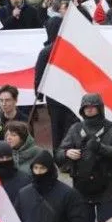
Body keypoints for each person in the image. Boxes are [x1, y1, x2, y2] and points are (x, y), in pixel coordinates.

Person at [58, 93, 112, 222]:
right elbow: (58, 155)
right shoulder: (75, 129)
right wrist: (67, 153)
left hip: (106, 188)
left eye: (92, 106)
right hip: (81, 189)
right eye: (86, 107)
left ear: (100, 108)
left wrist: (100, 148)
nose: (89, 109)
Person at [13, 150, 89, 222]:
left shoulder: (68, 194)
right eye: (35, 168)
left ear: (50, 169)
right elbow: (15, 221)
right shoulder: (23, 194)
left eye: (42, 168)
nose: (38, 172)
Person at [33, 17, 78, 156]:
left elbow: (39, 74)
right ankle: (68, 154)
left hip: (54, 97)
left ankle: (59, 155)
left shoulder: (46, 51)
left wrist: (39, 93)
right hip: (70, 96)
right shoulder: (71, 49)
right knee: (69, 126)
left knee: (56, 127)